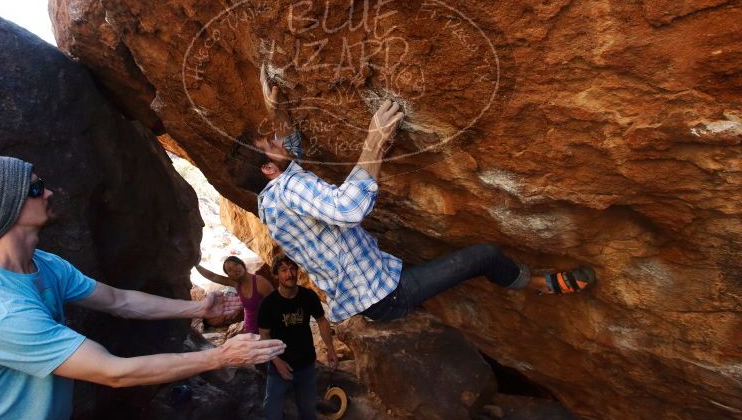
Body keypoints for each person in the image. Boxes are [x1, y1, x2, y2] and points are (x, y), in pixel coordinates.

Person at [0, 156, 286, 420]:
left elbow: (119, 300)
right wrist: (221, 357)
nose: (48, 192)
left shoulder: (44, 265)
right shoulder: (1, 311)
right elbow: (113, 372)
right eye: (34, 188)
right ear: (3, 209)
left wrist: (196, 308)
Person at [224, 66, 596, 324]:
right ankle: (536, 285)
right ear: (268, 170)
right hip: (387, 296)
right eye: (268, 145)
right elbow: (348, 209)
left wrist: (278, 111)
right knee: (485, 255)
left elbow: (293, 156)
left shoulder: (268, 200)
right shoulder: (287, 187)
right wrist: (375, 140)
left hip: (367, 296)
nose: (276, 140)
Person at [258, 255, 337, 420]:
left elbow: (322, 321)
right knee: (272, 409)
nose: (289, 273)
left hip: (306, 364)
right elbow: (264, 336)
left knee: (308, 413)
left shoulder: (308, 296)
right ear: (276, 275)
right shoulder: (269, 304)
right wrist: (276, 361)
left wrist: (331, 349)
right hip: (279, 364)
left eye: (292, 268)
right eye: (283, 270)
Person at [195, 255, 274, 334]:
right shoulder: (236, 284)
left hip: (265, 330)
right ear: (229, 276)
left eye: (236, 265)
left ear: (242, 264)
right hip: (249, 328)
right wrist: (197, 265)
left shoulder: (260, 282)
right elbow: (213, 277)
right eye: (230, 270)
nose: (235, 270)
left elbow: (275, 305)